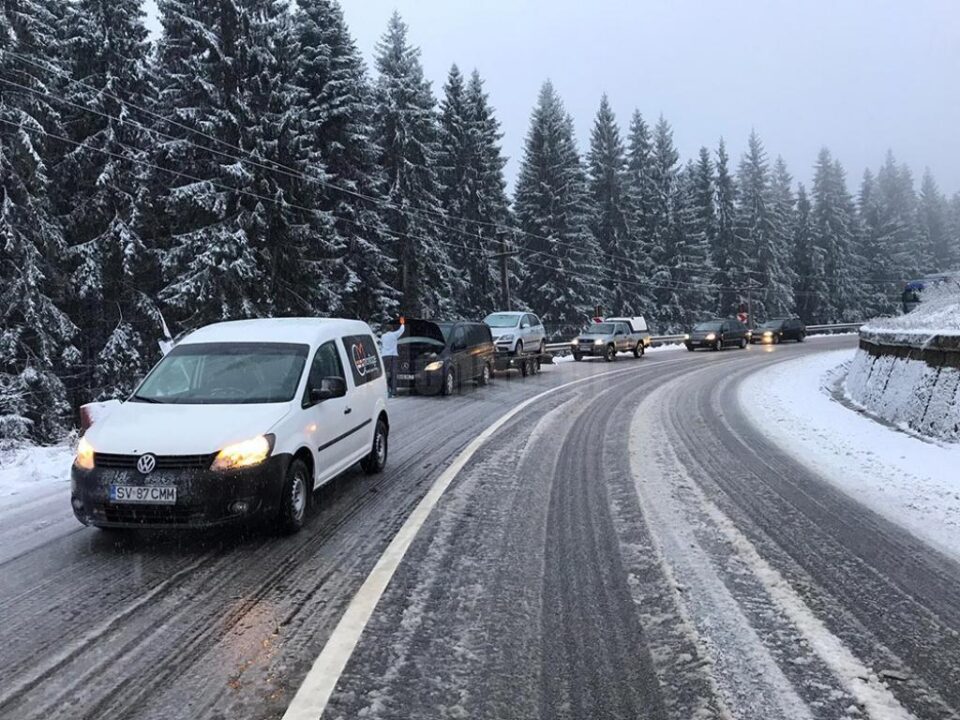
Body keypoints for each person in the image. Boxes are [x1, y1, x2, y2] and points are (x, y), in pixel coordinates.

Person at [380, 316, 406, 397]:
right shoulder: (394, 335)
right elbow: (402, 330)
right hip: (393, 356)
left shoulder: (383, 336)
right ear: (392, 329)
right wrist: (402, 323)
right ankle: (394, 392)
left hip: (384, 356)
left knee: (386, 373)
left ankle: (387, 390)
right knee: (393, 374)